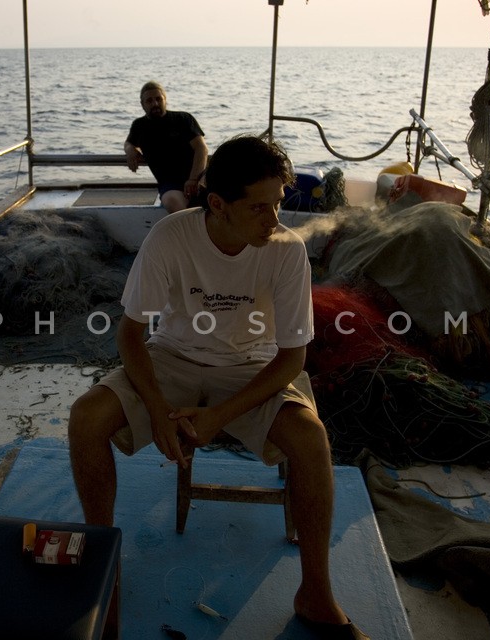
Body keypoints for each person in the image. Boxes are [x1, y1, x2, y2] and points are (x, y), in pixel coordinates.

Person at [69, 135, 369, 640]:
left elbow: (292, 357)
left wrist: (219, 416)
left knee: (311, 439)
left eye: (277, 204)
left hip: (252, 368)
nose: (274, 219)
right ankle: (106, 573)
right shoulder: (170, 237)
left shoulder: (286, 251)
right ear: (217, 204)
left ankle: (315, 594)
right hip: (172, 360)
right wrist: (161, 410)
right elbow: (131, 335)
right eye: (259, 208)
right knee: (86, 418)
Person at [124, 81, 208, 213]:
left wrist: (193, 179)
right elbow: (129, 143)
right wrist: (130, 151)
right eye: (149, 101)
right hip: (170, 184)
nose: (155, 104)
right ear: (142, 104)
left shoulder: (183, 119)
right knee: (171, 202)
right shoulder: (139, 126)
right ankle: (190, 232)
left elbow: (201, 148)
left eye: (158, 99)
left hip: (199, 176)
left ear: (165, 100)